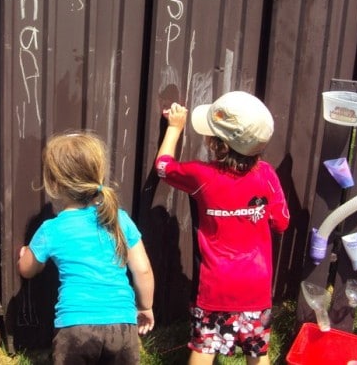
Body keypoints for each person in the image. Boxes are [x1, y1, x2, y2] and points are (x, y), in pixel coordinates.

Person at [155, 91, 290, 365]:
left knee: (205, 347)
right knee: (257, 349)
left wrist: (174, 128)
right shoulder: (266, 175)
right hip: (256, 285)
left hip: (215, 285)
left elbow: (163, 167)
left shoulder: (201, 175)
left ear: (218, 144)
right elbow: (281, 222)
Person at [18, 131, 155, 364]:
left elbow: (27, 270)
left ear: (54, 183)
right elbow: (142, 271)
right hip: (122, 324)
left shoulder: (51, 229)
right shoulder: (119, 219)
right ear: (99, 175)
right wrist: (145, 307)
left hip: (75, 327)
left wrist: (25, 255)